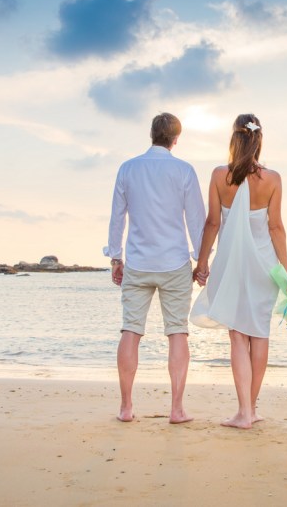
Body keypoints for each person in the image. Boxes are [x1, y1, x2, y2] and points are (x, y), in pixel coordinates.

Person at [191, 113, 287, 429]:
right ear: (259, 140)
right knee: (260, 333)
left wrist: (201, 263)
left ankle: (243, 413)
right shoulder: (273, 179)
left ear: (234, 140)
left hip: (232, 266)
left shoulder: (219, 175)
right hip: (265, 267)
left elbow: (212, 222)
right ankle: (250, 409)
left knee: (238, 335)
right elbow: (276, 227)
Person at [104, 112, 205, 424]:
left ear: (151, 134)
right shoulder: (184, 170)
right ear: (176, 139)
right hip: (174, 262)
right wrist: (202, 262)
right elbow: (197, 220)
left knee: (130, 330)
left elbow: (117, 216)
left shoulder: (128, 168)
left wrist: (116, 257)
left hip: (138, 262)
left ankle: (125, 407)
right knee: (177, 333)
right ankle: (176, 409)